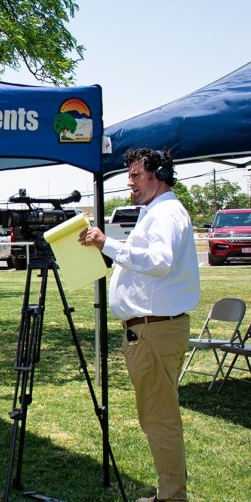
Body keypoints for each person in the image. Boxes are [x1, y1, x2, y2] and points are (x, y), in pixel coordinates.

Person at [78, 148, 200, 502]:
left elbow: (159, 262)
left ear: (157, 173)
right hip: (152, 330)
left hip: (154, 331)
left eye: (134, 174)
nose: (129, 182)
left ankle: (171, 497)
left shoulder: (165, 214)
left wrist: (108, 243)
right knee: (158, 415)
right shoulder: (157, 212)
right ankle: (169, 493)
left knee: (159, 419)